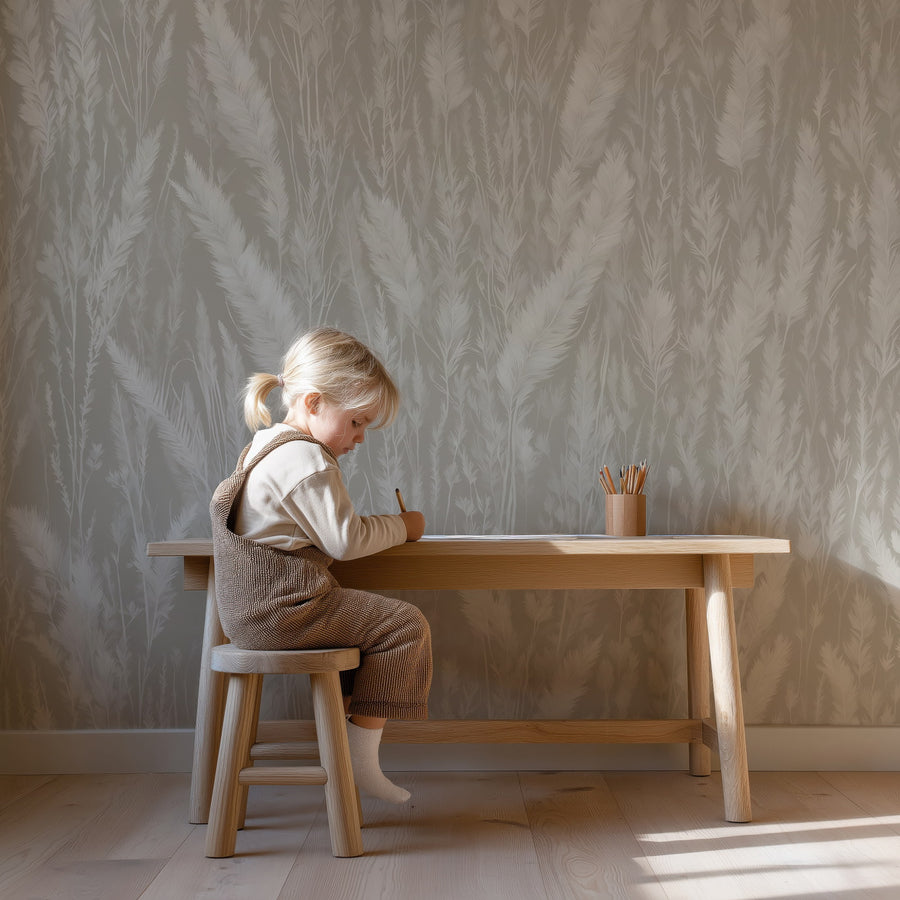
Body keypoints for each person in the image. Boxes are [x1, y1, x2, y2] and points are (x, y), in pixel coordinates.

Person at [210, 327, 431, 804]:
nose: (361, 437)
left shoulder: (264, 446)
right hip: (286, 611)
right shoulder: (307, 459)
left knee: (367, 628)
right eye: (356, 422)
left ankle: (349, 739)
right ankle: (359, 757)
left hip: (249, 615)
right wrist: (403, 526)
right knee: (403, 626)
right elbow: (345, 540)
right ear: (314, 403)